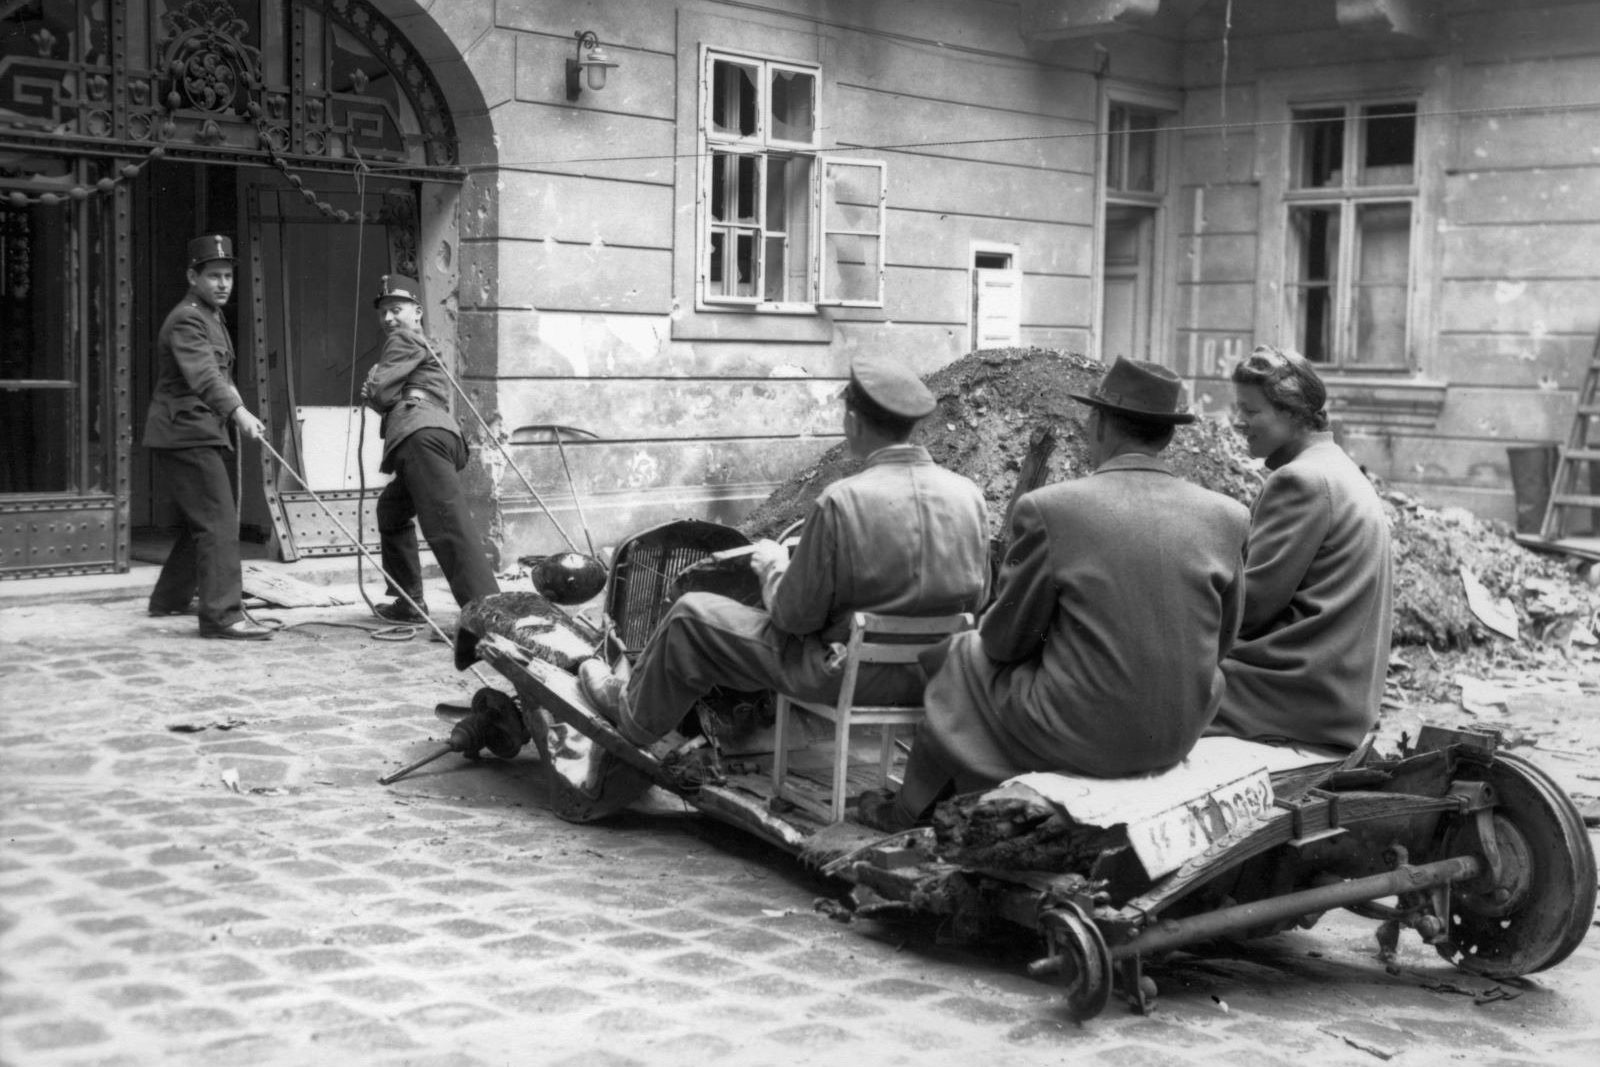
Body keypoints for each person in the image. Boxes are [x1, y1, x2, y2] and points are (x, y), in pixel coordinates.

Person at [859, 358, 1250, 831]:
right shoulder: (1228, 516)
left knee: (961, 653)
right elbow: (1223, 641)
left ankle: (910, 809)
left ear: (1099, 423)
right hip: (1178, 734)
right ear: (1167, 436)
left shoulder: (1052, 509)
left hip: (1084, 734)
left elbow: (1005, 641)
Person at [575, 355, 991, 752]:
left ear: (853, 419)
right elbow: (977, 597)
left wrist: (773, 565)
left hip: (847, 675)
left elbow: (795, 617)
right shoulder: (969, 496)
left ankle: (632, 714)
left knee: (690, 615)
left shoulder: (842, 501)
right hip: (929, 674)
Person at [1208, 344, 1394, 750]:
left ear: (1292, 413)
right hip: (1334, 694)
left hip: (1293, 694)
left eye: (1251, 411)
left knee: (1146, 686)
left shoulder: (1301, 480)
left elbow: (1250, 609)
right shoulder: (1335, 466)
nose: (1239, 422)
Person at [144, 234, 273, 641]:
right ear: (192, 276)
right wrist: (238, 412)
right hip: (185, 432)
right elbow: (203, 375)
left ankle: (169, 598)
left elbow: (221, 377)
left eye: (228, 276)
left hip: (198, 430)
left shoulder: (209, 316)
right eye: (213, 275)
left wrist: (238, 413)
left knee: (206, 516)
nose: (223, 284)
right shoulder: (187, 317)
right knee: (218, 520)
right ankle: (222, 616)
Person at [362, 275, 499, 622]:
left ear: (417, 311)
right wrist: (385, 391)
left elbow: (379, 394)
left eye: (396, 310)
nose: (389, 319)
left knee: (447, 526)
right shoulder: (424, 343)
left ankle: (489, 617)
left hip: (420, 438)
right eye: (383, 314)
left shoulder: (403, 339)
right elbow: (392, 397)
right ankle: (409, 602)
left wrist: (377, 377)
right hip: (433, 437)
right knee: (391, 510)